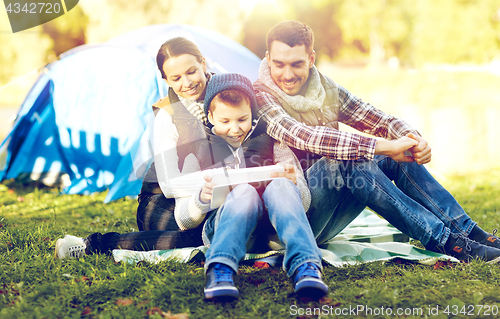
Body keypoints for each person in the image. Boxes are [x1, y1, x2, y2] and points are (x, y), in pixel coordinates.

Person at [253, 20, 500, 263]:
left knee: (396, 156)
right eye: (279, 64)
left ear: (311, 59)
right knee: (347, 159)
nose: (287, 75)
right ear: (267, 58)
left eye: (297, 64)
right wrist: (384, 146)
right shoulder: (260, 96)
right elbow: (304, 136)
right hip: (288, 220)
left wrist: (412, 139)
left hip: (329, 214)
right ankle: (446, 241)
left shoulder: (326, 89)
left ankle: (470, 232)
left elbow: (377, 118)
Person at [55, 37, 214, 257]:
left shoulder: (229, 98)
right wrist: (217, 184)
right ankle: (92, 245)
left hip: (209, 197)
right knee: (201, 235)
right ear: (166, 80)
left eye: (191, 71)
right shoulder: (168, 116)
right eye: (176, 78)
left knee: (223, 227)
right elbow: (169, 186)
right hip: (161, 202)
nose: (187, 83)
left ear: (203, 64)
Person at [193, 73, 327, 301]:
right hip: (223, 230)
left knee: (280, 184)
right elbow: (186, 217)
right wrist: (202, 199)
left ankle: (305, 265)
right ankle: (220, 269)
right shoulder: (201, 147)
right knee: (244, 192)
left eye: (242, 119)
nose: (234, 129)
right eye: (225, 121)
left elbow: (303, 202)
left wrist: (292, 182)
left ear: (253, 115)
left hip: (271, 232)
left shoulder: (273, 140)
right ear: (210, 116)